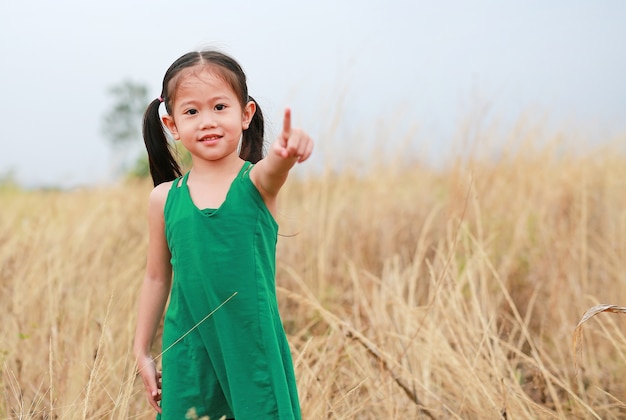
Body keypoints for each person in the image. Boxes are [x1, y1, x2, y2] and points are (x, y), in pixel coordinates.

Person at [133, 49, 313, 419]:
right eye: (192, 112)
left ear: (245, 114)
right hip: (188, 348)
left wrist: (286, 152)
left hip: (251, 345)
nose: (207, 121)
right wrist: (142, 350)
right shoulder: (164, 198)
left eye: (219, 107)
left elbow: (275, 169)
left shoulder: (257, 182)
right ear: (171, 125)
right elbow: (155, 277)